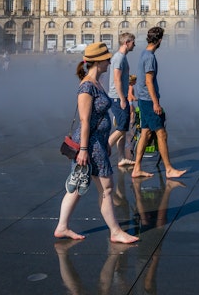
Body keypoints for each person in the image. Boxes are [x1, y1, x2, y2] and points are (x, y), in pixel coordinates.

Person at [54, 42, 139, 244]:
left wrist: (104, 141)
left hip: (97, 141)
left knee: (77, 184)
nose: (110, 62)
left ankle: (62, 227)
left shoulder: (96, 83)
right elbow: (84, 121)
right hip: (89, 143)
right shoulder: (86, 87)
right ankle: (115, 231)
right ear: (98, 61)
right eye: (107, 59)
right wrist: (84, 149)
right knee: (106, 187)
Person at [132, 26, 186, 180]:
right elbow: (149, 81)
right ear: (160, 40)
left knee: (145, 133)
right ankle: (169, 169)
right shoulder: (150, 57)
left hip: (143, 99)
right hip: (149, 100)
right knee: (161, 133)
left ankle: (136, 168)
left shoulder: (144, 53)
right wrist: (156, 103)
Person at [107, 33, 136, 167]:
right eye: (133, 42)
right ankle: (104, 150)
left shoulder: (122, 57)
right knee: (122, 127)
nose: (134, 45)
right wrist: (122, 98)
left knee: (123, 130)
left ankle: (121, 158)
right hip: (118, 97)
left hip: (119, 96)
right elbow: (117, 79)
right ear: (126, 42)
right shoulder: (119, 58)